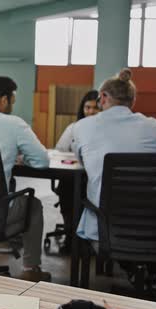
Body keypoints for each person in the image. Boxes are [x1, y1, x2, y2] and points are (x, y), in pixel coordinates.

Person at [73, 68, 156, 293]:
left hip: (106, 221)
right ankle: (148, 272)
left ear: (103, 97)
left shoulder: (83, 126)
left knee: (89, 202)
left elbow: (82, 160)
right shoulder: (155, 126)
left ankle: (130, 268)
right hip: (151, 219)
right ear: (132, 100)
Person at [0, 76, 51, 282]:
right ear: (4, 99)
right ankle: (31, 268)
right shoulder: (14, 124)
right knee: (33, 204)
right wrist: (21, 156)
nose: (13, 103)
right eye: (13, 99)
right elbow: (42, 161)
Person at [53, 90, 99, 254]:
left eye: (95, 108)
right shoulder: (74, 128)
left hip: (95, 178)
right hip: (74, 176)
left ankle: (88, 240)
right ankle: (71, 235)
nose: (91, 112)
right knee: (67, 188)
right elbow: (59, 150)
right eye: (87, 107)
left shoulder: (104, 130)